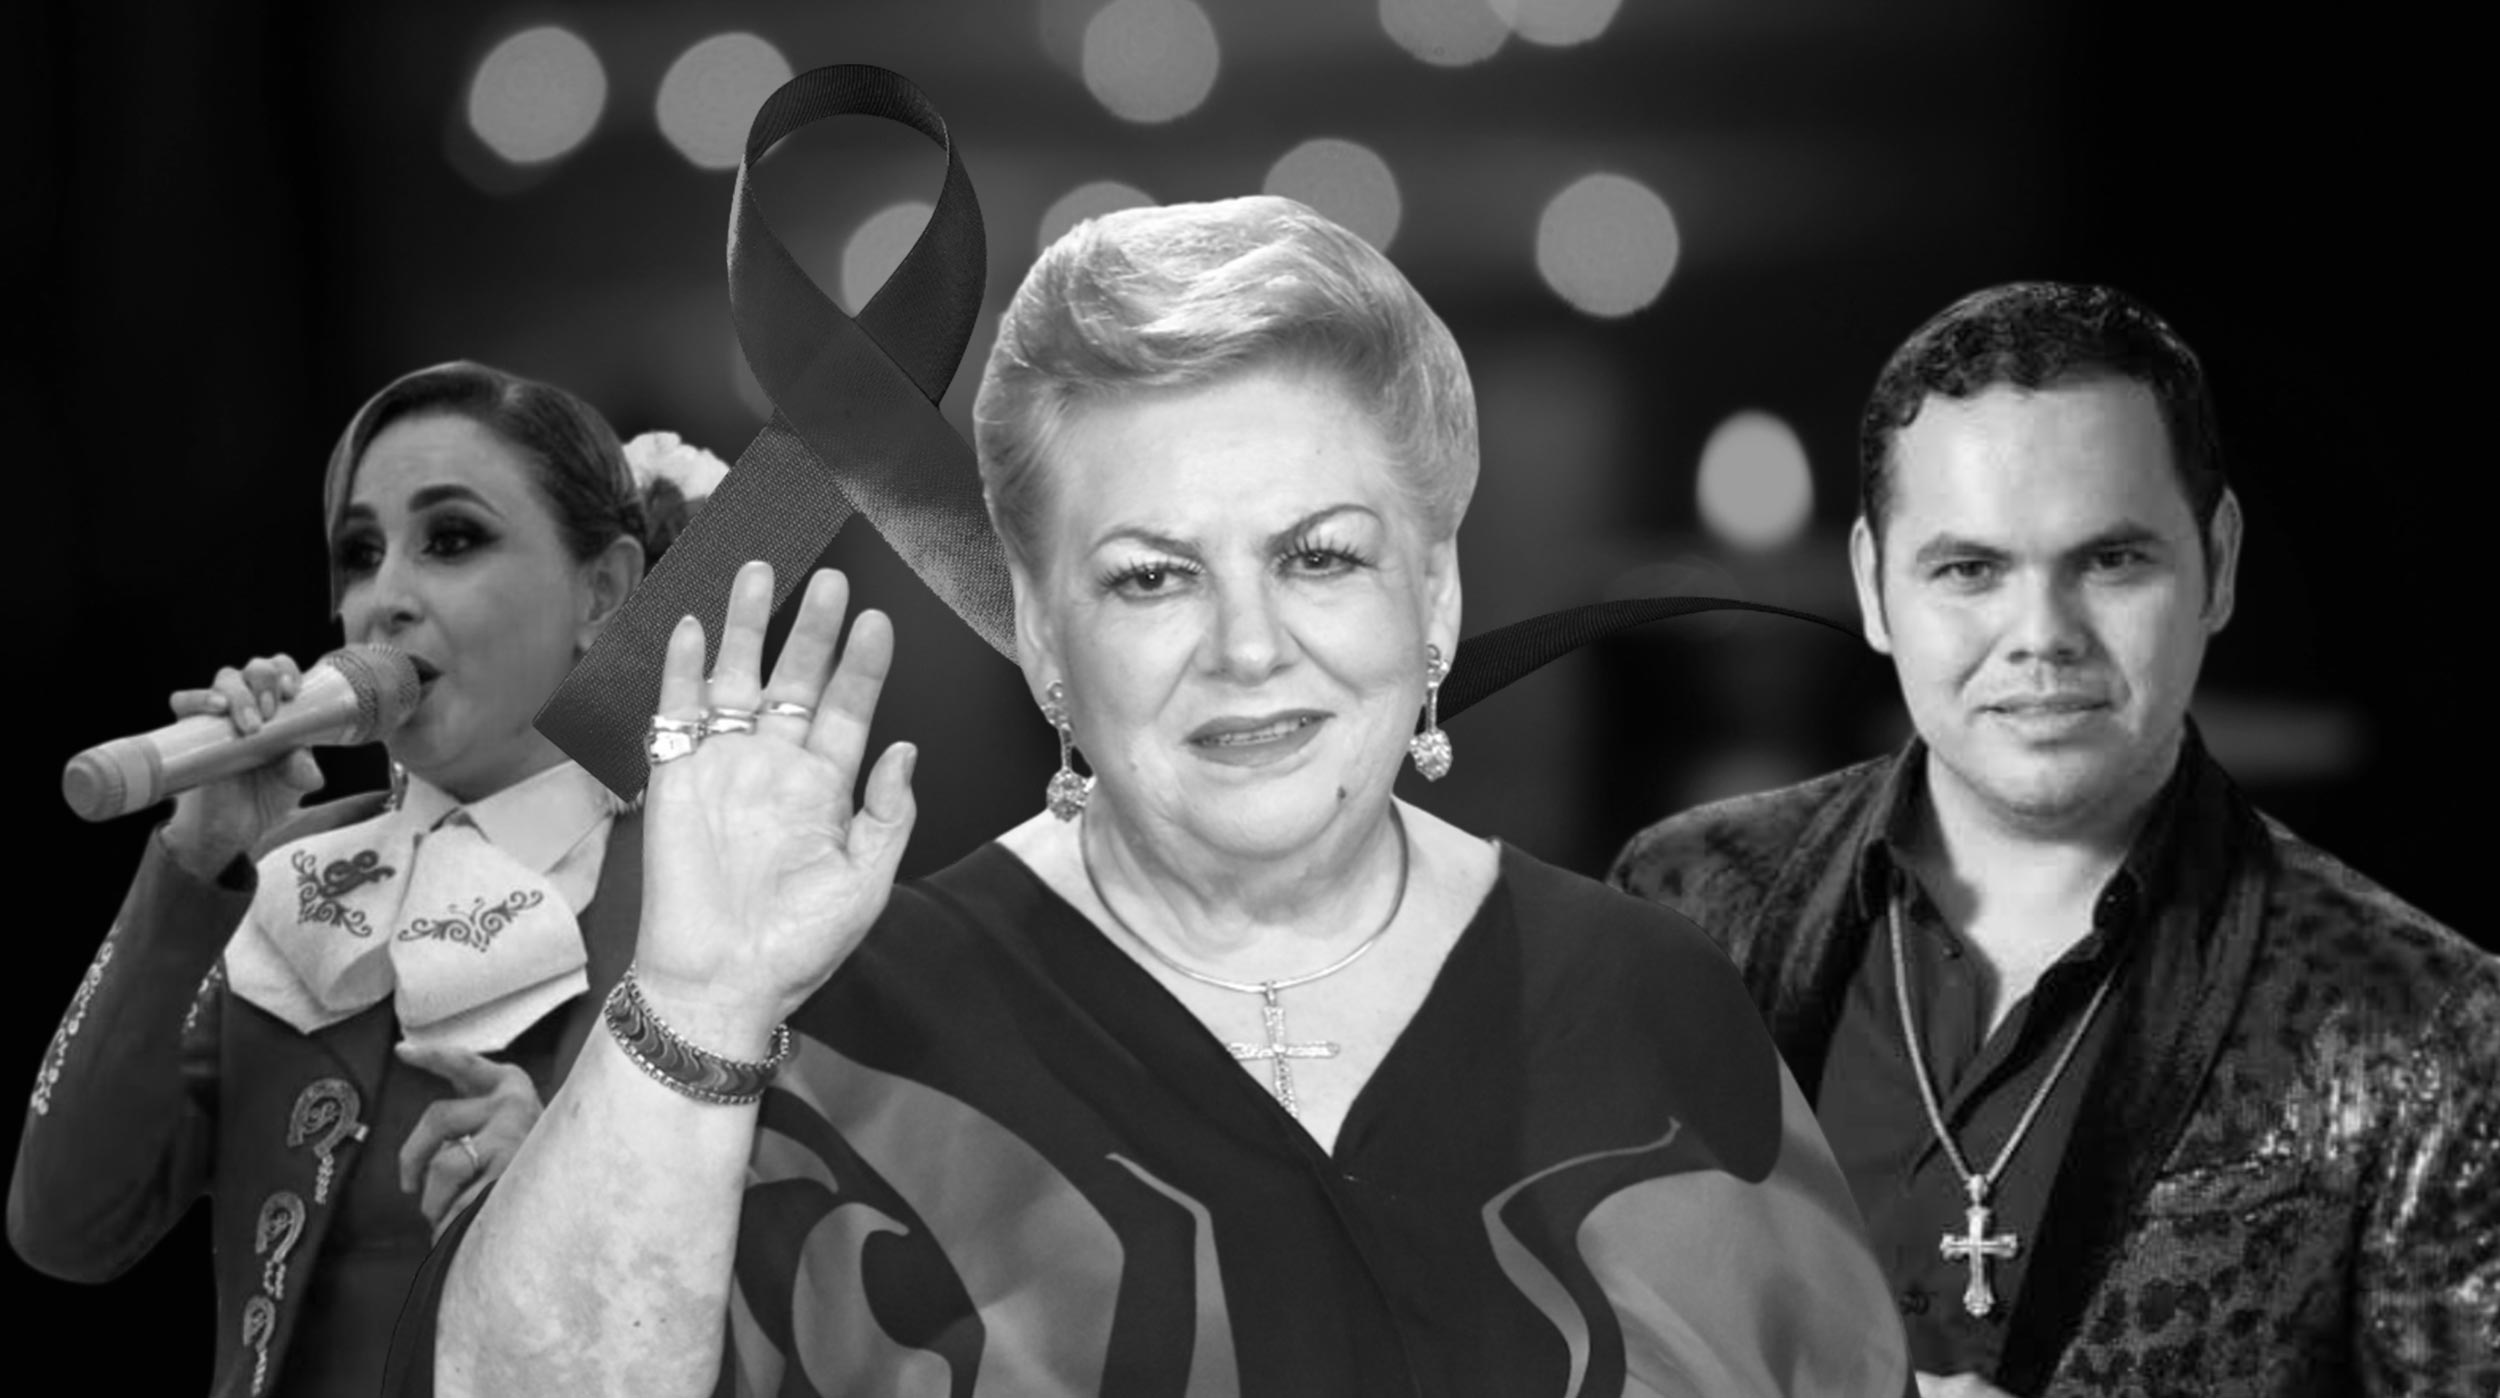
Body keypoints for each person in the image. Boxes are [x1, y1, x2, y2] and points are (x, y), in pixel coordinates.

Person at [386, 197, 1912, 1397]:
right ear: (1044, 635)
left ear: (1436, 597)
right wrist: (696, 1003)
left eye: (1320, 555)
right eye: (1152, 577)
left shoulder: (1653, 1006)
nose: (1248, 646)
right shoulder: (846, 1034)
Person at [1610, 282, 2500, 1397]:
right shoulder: (1682, 900)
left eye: (2111, 560)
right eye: (1969, 569)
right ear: (1873, 588)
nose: (2041, 636)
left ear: (2218, 566)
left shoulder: (2420, 1021)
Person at [10, 362, 722, 1397]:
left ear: (602, 592)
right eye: (359, 554)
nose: (385, 600)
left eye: (452, 540)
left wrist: (573, 1200)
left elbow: (823, 1291)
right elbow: (66, 1226)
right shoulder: (280, 875)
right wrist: (193, 858)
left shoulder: (702, 895)